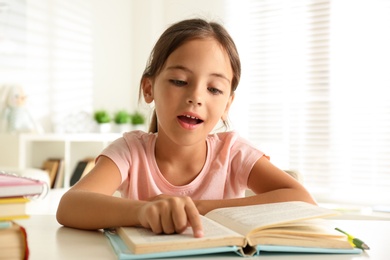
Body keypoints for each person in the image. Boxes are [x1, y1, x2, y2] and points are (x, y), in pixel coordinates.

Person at [56, 18, 316, 238]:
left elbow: (302, 200)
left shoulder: (234, 152)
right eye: (179, 81)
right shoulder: (131, 151)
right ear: (149, 89)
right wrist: (142, 211)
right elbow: (70, 205)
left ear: (227, 104)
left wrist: (198, 207)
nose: (196, 97)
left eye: (214, 88)